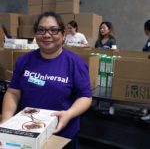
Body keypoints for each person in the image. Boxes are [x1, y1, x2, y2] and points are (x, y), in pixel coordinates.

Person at [1, 12, 92, 149]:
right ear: (36, 34)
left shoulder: (75, 63)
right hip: (28, 132)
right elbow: (13, 92)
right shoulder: (24, 61)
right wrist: (6, 121)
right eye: (41, 30)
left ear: (63, 34)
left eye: (53, 30)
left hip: (61, 134)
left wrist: (69, 114)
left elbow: (85, 96)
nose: (47, 35)